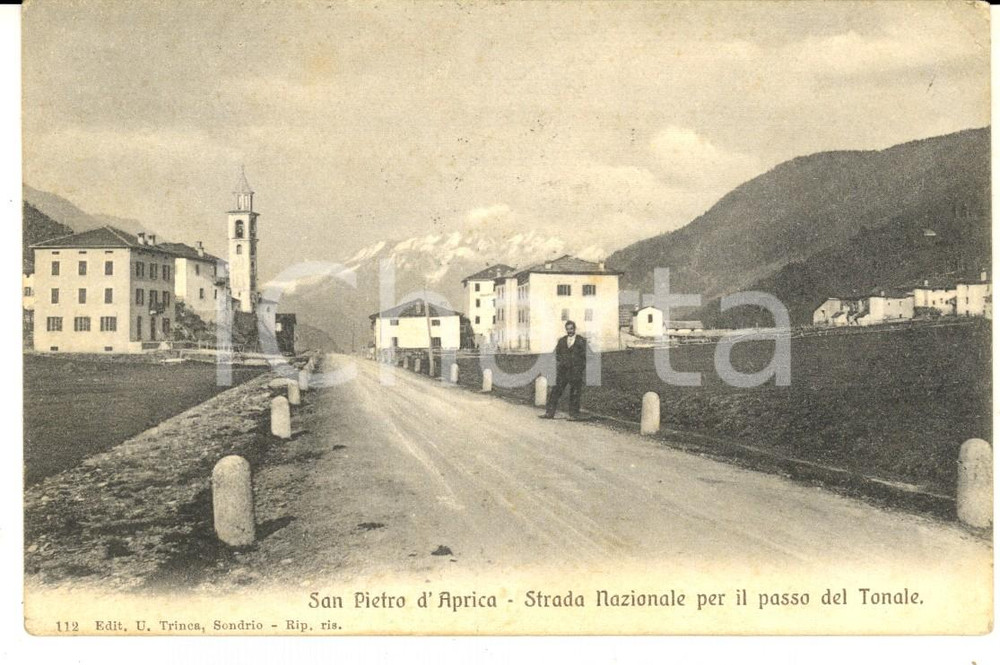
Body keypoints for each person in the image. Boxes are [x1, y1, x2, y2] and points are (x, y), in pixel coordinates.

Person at [540, 320, 587, 420]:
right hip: (563, 371)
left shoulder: (581, 340)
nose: (569, 331)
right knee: (556, 391)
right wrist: (563, 362)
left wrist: (579, 368)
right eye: (568, 329)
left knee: (575, 393)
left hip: (575, 371)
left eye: (571, 329)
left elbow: (585, 357)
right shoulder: (562, 341)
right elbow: (557, 354)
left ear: (575, 329)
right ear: (566, 329)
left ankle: (573, 415)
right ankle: (549, 413)